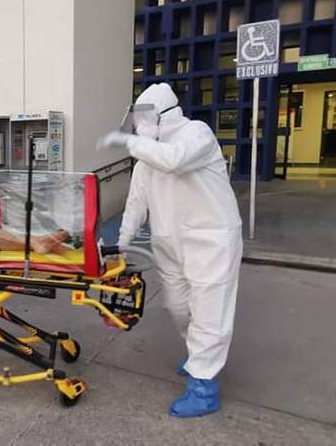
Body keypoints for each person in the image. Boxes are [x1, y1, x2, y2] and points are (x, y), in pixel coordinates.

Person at [98, 83, 242, 418]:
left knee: (209, 311)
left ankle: (204, 385)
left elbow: (174, 160)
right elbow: (135, 205)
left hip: (211, 241)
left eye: (142, 120)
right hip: (169, 244)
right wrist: (120, 244)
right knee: (178, 307)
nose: (138, 127)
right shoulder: (147, 158)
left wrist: (128, 142)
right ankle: (198, 355)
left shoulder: (196, 134)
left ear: (163, 116)